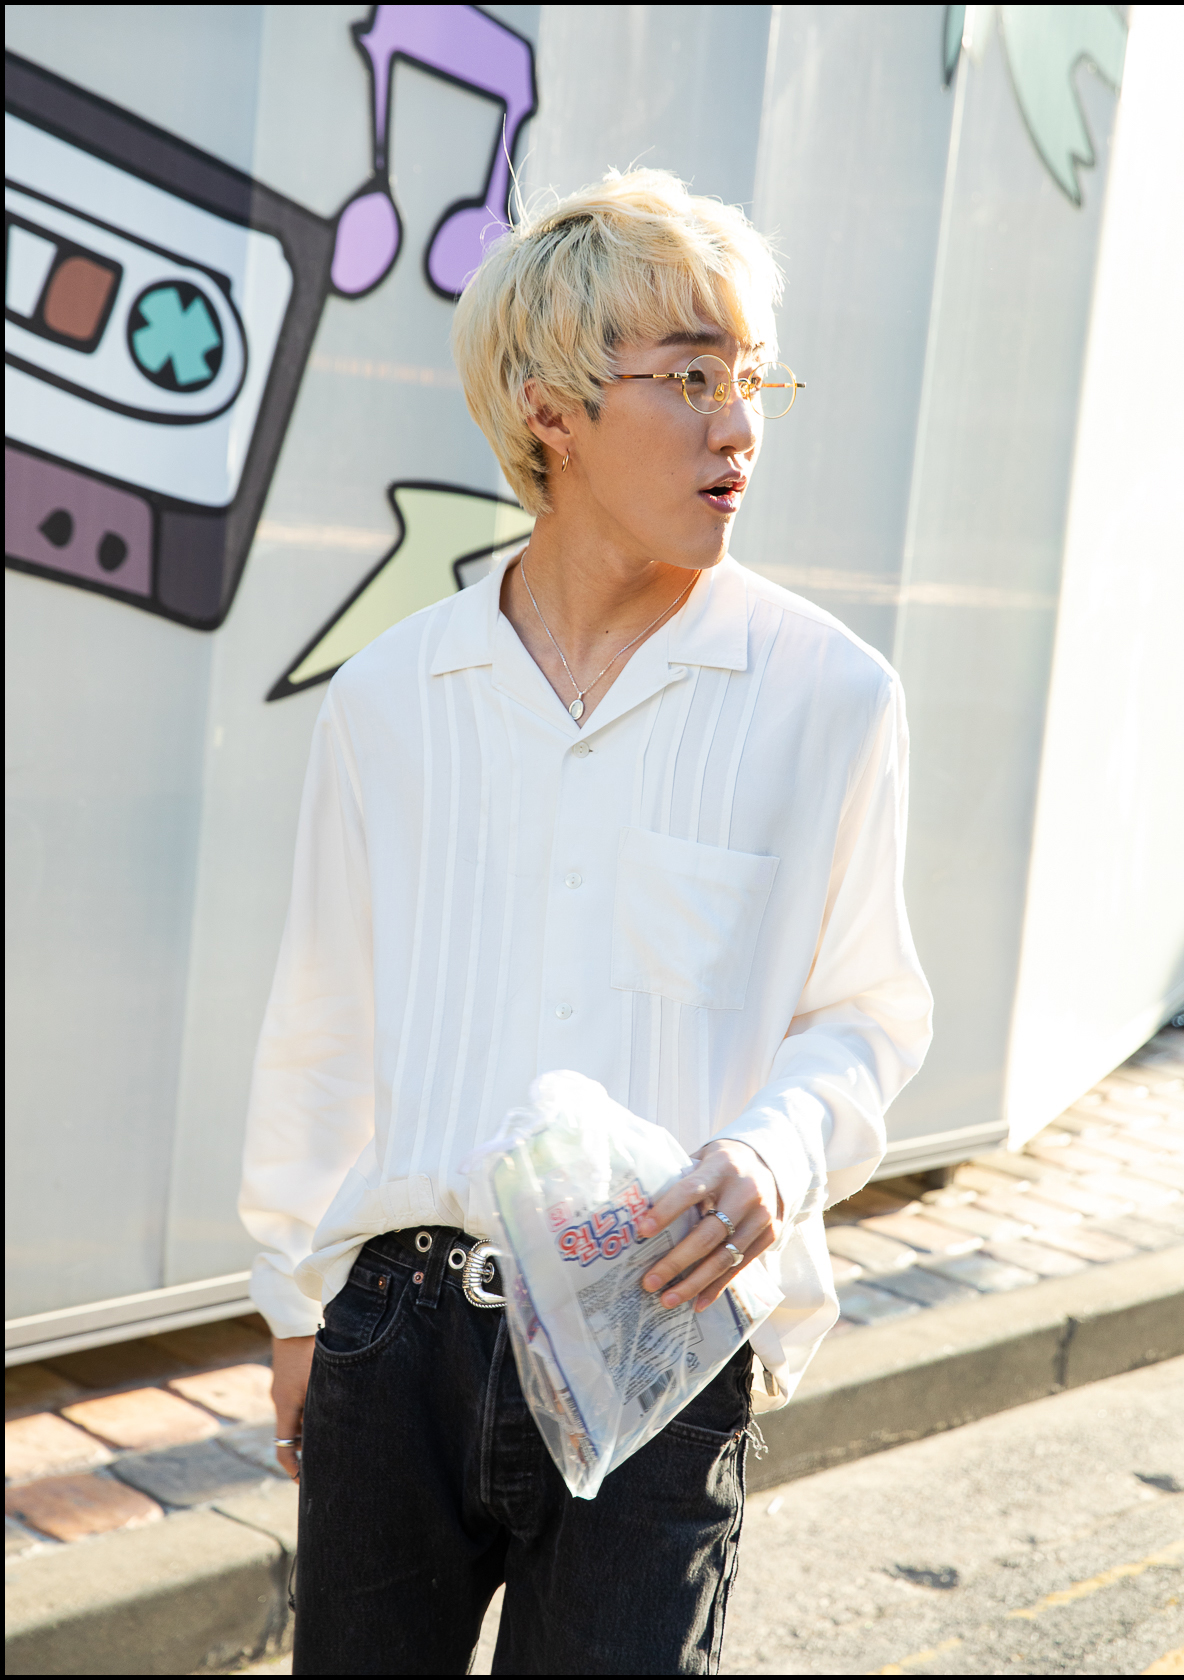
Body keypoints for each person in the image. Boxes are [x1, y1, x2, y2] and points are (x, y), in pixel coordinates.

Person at [240, 167, 933, 1676]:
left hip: (660, 1337)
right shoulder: (393, 695)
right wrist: (296, 1306)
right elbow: (322, 1016)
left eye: (752, 379)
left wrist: (775, 1154)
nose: (738, 425)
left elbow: (868, 1011)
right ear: (548, 407)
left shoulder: (830, 697)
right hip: (399, 1332)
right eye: (689, 377)